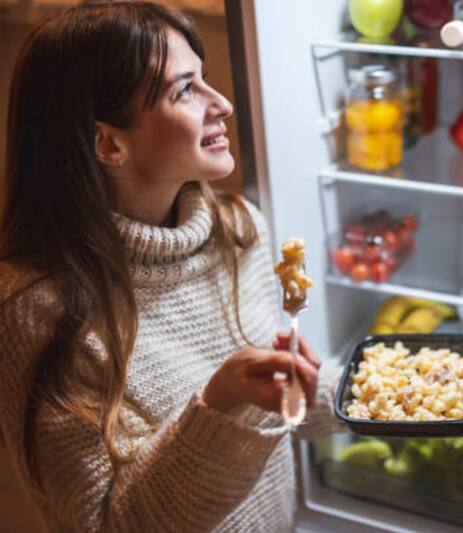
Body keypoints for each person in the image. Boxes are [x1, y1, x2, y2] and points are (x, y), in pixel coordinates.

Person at [0, 2, 342, 531]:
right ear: (108, 143)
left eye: (204, 79)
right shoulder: (35, 312)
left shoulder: (238, 229)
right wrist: (218, 402)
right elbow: (113, 522)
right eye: (185, 91)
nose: (222, 103)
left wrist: (386, 392)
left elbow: (274, 406)